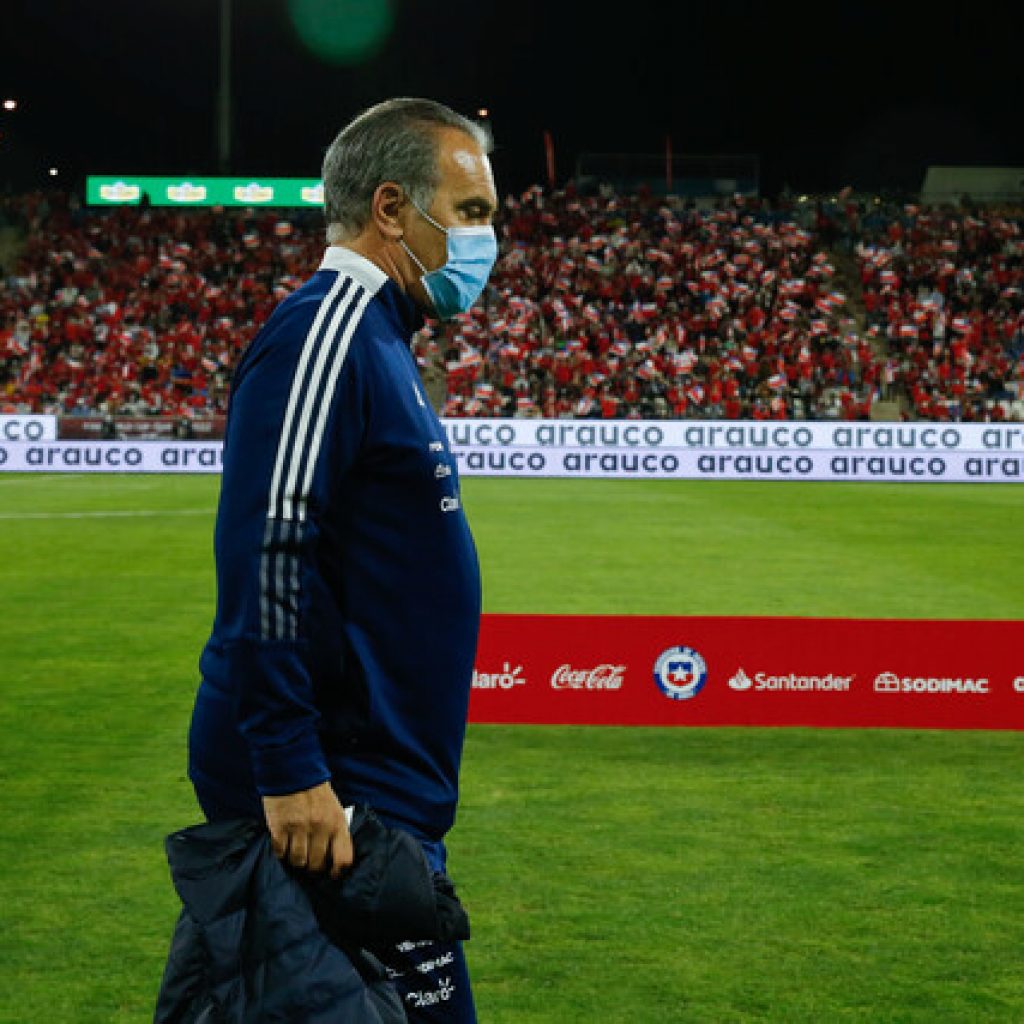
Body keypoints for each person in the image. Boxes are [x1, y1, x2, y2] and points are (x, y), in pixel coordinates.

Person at [185, 97, 499, 1021]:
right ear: (393, 208)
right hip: (332, 794)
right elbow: (266, 553)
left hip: (376, 786)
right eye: (473, 212)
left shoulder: (383, 341)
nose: (490, 241)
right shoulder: (327, 331)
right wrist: (288, 766)